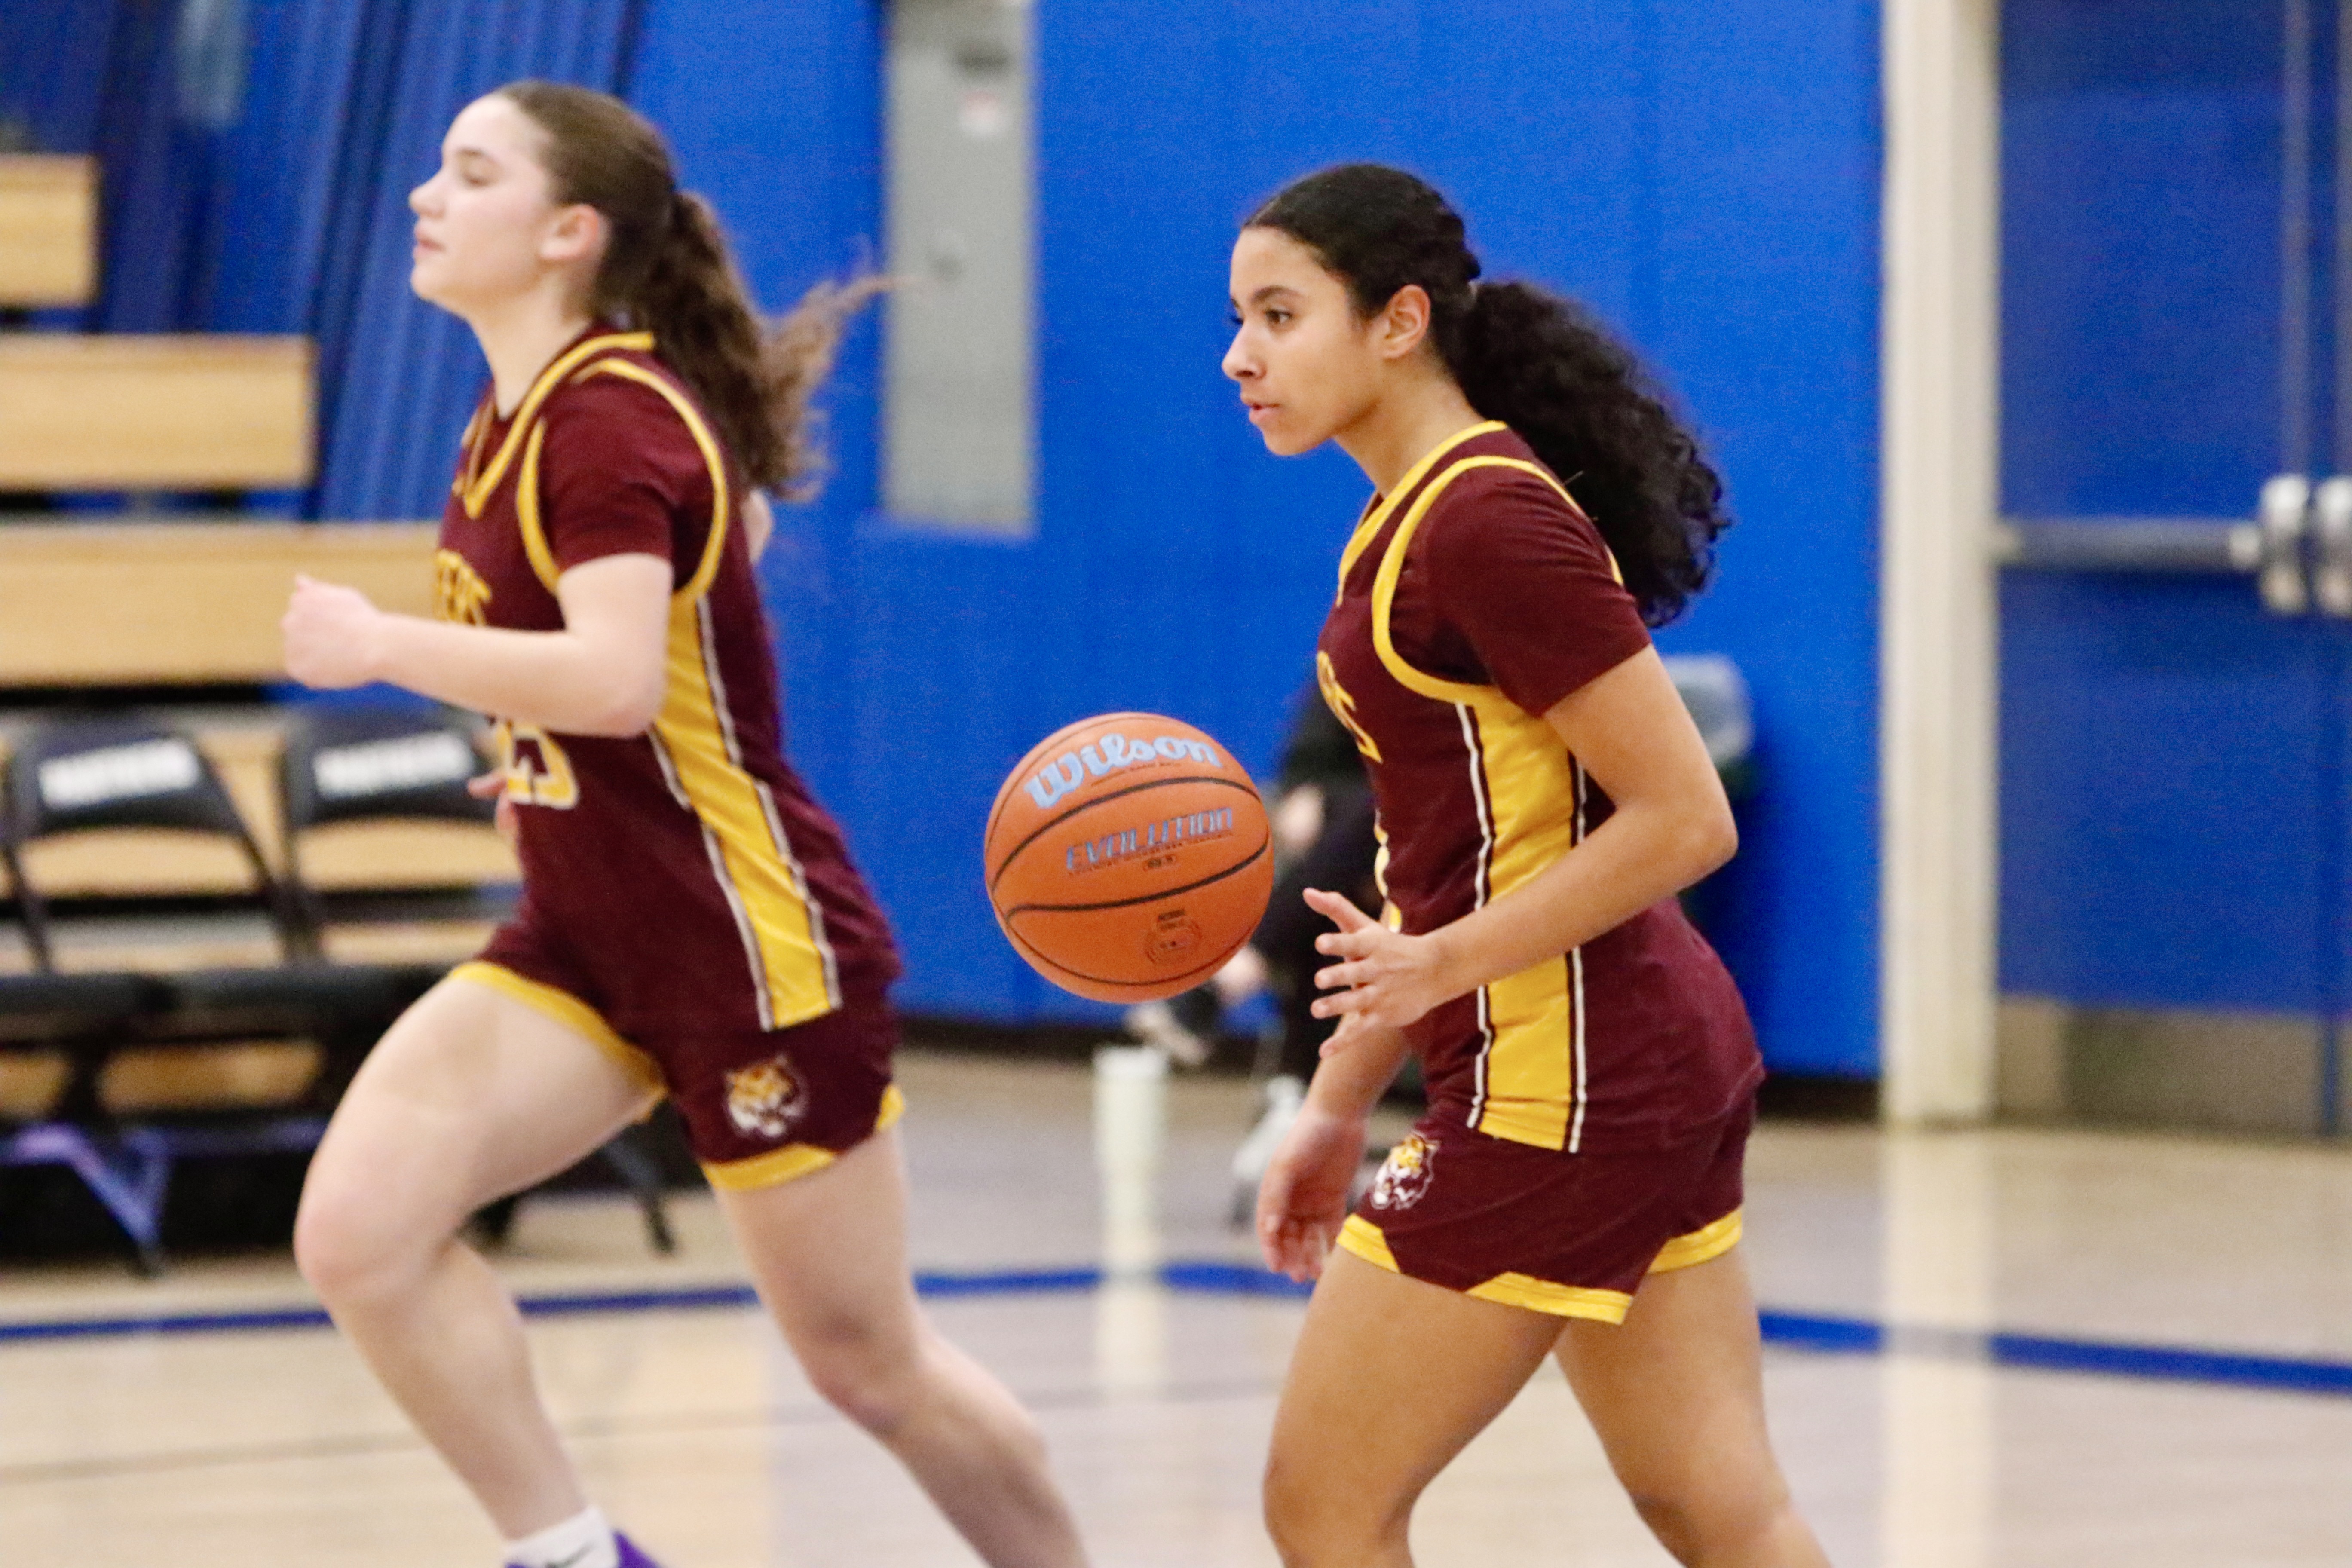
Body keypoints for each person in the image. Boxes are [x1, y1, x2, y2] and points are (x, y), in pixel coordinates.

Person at [280, 82, 1088, 1568]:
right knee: (360, 1232)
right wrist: (533, 744)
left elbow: (608, 673)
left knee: (868, 1368)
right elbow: (721, 553)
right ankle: (578, 1556)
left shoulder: (604, 420)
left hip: (749, 944)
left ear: (566, 233)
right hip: (591, 931)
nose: (423, 197)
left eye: (469, 173)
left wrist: (385, 647)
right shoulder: (538, 398)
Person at [1224, 164, 1829, 1568]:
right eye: (1240, 317)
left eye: (1279, 312)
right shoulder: (1405, 516)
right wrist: (1336, 1102)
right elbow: (1433, 859)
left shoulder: (1487, 520)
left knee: (1325, 1506)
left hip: (1566, 1086)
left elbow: (1686, 818)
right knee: (1716, 1506)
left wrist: (1438, 970)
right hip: (1639, 1065)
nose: (1241, 354)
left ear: (1399, 323)